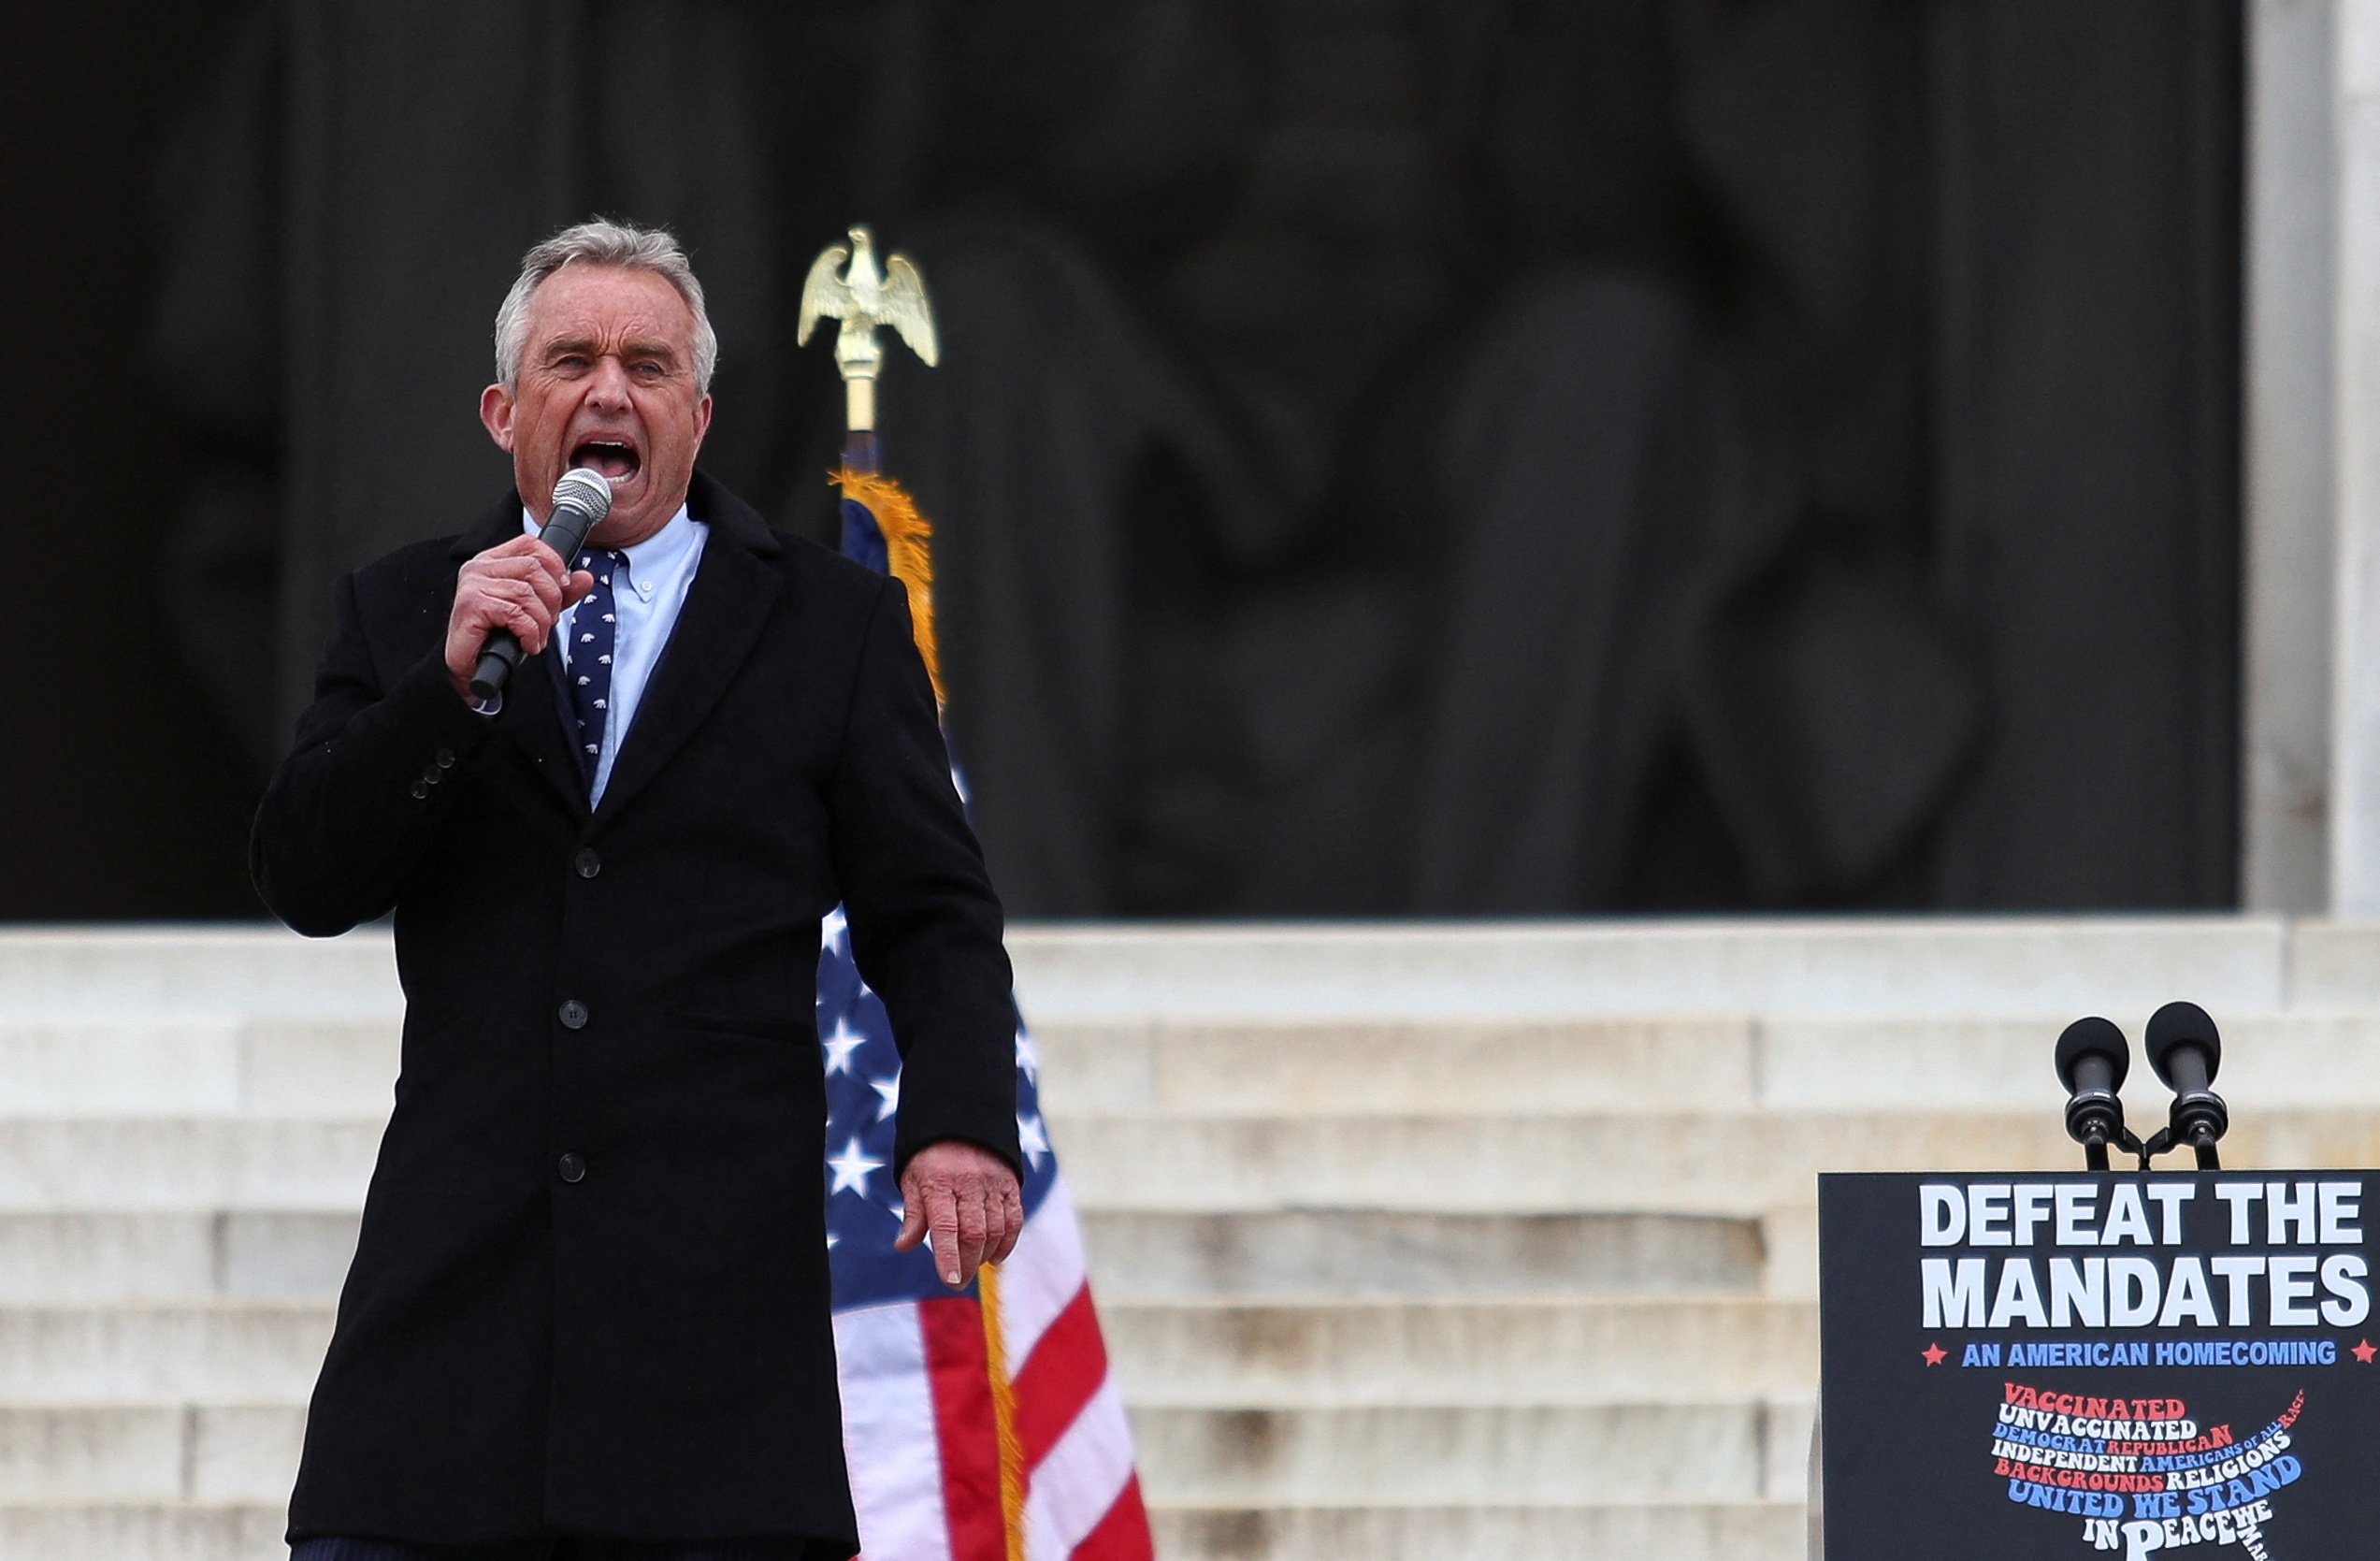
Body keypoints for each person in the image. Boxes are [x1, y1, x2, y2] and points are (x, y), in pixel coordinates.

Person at [251, 220, 1024, 1560]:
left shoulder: (827, 626)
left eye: (647, 364)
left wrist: (955, 1118)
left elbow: (931, 907)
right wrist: (444, 690)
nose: (609, 390)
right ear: (506, 411)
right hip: (450, 1340)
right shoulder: (404, 610)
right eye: (572, 359)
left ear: (697, 413)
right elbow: (308, 874)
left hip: (711, 1350)